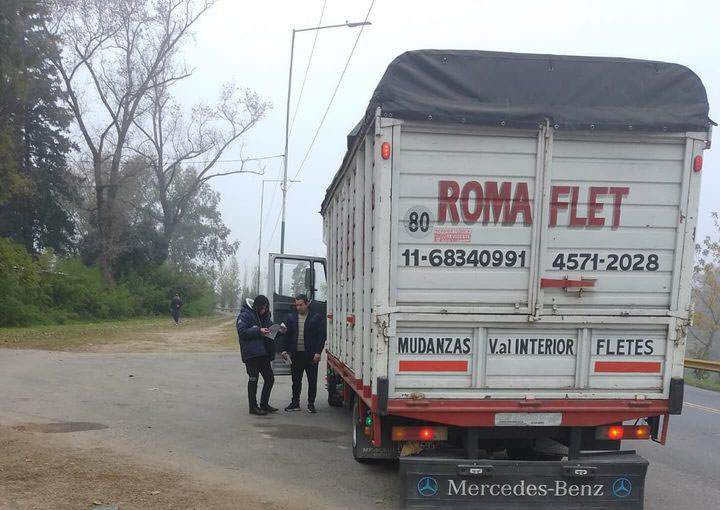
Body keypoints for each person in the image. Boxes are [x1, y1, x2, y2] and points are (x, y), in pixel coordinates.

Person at [236, 295, 286, 416]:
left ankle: (264, 404)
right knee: (253, 379)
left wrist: (280, 331)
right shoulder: (245, 315)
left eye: (266, 308)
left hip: (263, 353)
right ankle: (253, 407)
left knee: (270, 379)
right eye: (263, 308)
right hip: (251, 354)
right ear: (257, 306)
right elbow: (242, 332)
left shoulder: (265, 317)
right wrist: (258, 331)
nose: (265, 310)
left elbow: (270, 332)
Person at [281, 294, 326, 413]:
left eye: (301, 305)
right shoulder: (291, 317)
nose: (298, 307)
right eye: (296, 305)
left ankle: (311, 403)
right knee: (296, 381)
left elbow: (321, 336)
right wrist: (284, 350)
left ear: (307, 304)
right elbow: (287, 335)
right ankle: (295, 403)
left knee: (312, 381)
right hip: (296, 355)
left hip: (311, 356)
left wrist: (318, 352)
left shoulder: (316, 317)